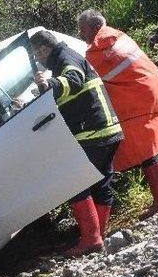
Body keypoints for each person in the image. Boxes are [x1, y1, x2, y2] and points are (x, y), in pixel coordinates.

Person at [30, 30, 123, 256]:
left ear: (44, 49)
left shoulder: (65, 58)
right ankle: (97, 236)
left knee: (75, 183)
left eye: (36, 54)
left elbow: (73, 80)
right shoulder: (67, 57)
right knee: (101, 184)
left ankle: (92, 240)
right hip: (106, 130)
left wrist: (48, 84)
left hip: (92, 132)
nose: (37, 59)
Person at [78, 9, 158, 219]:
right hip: (148, 89)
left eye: (82, 30)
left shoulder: (99, 46)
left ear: (93, 28)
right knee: (147, 148)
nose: (81, 35)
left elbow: (88, 76)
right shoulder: (118, 35)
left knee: (146, 150)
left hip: (138, 98)